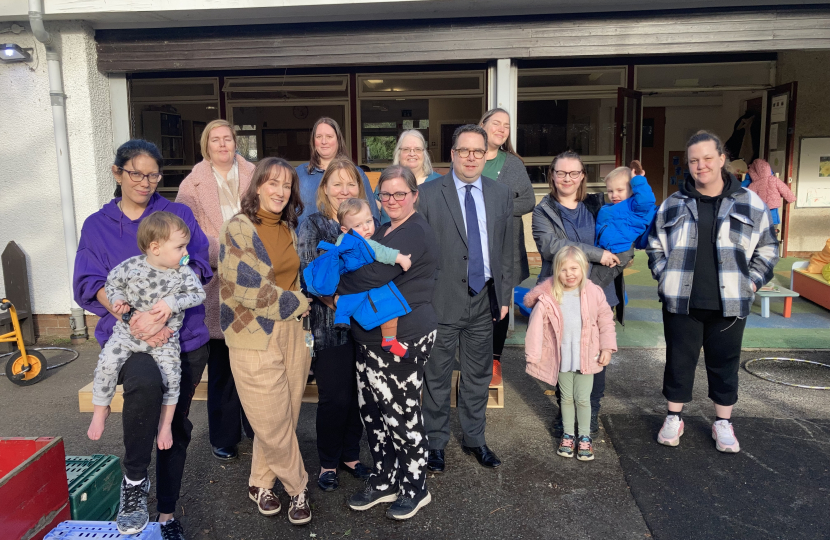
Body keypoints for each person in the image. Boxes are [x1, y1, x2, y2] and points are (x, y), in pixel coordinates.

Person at [74, 139, 212, 539]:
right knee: (145, 387)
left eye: (153, 174)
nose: (145, 181)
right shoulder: (97, 225)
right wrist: (132, 316)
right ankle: (134, 483)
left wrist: (168, 304)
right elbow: (90, 281)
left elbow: (199, 262)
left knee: (176, 425)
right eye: (135, 172)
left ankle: (167, 514)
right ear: (117, 173)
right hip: (129, 335)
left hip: (183, 337)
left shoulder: (176, 213)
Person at [647, 130, 778, 453]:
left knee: (725, 363)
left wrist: (751, 283)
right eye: (694, 160)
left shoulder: (750, 203)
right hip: (682, 300)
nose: (700, 165)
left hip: (731, 301)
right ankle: (674, 417)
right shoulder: (673, 204)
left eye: (707, 158)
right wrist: (664, 276)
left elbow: (768, 249)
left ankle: (723, 422)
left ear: (722, 159)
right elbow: (654, 246)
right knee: (679, 361)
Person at [337, 165, 439, 521]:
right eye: (385, 194)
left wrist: (336, 280)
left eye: (400, 193)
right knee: (374, 414)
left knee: (401, 414)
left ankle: (415, 486)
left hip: (403, 337)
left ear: (414, 195)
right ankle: (386, 479)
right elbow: (358, 267)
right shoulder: (381, 229)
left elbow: (372, 274)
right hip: (368, 339)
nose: (392, 200)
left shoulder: (414, 232)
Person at [219, 157, 313, 525]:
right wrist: (300, 303)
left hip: (292, 334)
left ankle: (260, 481)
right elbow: (248, 288)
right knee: (271, 420)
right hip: (251, 335)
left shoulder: (289, 228)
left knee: (282, 416)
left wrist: (300, 304)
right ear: (257, 186)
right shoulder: (238, 228)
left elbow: (293, 277)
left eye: (286, 185)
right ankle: (298, 487)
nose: (279, 191)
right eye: (272, 183)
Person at [418, 124, 513, 473]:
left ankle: (475, 439)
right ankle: (435, 443)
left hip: (484, 300)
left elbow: (506, 249)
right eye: (464, 151)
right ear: (453, 154)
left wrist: (504, 294)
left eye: (478, 151)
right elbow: (421, 251)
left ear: (486, 154)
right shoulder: (428, 194)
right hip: (441, 301)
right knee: (437, 377)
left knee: (477, 375)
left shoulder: (500, 193)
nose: (471, 157)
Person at [88, 212, 206, 455]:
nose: (186, 253)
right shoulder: (131, 266)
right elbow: (112, 284)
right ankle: (100, 409)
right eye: (180, 247)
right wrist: (118, 299)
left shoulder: (183, 273)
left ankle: (165, 425)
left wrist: (173, 302)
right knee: (107, 364)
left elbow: (198, 295)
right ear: (155, 247)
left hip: (165, 339)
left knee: (173, 378)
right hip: (127, 334)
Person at [176, 119, 254, 461]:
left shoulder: (255, 174)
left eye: (228, 139)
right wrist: (223, 249)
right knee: (222, 364)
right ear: (206, 145)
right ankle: (224, 437)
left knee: (254, 361)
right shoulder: (191, 185)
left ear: (236, 143)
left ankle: (257, 427)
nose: (222, 145)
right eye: (215, 140)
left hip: (253, 276)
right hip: (216, 281)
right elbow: (186, 232)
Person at [531, 150, 624, 439]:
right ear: (552, 176)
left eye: (573, 173)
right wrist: (598, 254)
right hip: (561, 297)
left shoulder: (599, 205)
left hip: (600, 293)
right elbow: (552, 247)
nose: (567, 178)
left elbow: (623, 244)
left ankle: (591, 412)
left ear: (583, 175)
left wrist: (591, 288)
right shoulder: (542, 211)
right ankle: (565, 410)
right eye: (560, 172)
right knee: (564, 355)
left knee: (595, 355)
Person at [296, 159, 376, 493]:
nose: (345, 190)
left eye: (351, 184)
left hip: (366, 324)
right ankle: (328, 462)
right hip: (330, 326)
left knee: (360, 394)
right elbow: (312, 276)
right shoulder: (314, 225)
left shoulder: (368, 224)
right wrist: (339, 301)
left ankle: (350, 456)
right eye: (337, 184)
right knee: (334, 396)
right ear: (324, 188)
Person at [524, 246, 617, 461]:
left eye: (574, 268)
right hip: (563, 357)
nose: (570, 274)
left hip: (587, 355)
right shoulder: (550, 295)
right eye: (564, 270)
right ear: (557, 272)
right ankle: (568, 435)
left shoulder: (594, 292)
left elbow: (605, 321)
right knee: (565, 398)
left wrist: (606, 348)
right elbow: (536, 328)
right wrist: (534, 355)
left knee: (583, 399)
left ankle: (584, 437)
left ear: (584, 268)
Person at [310, 198, 412, 358]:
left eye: (368, 221)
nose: (366, 228)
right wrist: (401, 259)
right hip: (360, 281)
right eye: (358, 225)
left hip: (346, 282)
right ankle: (389, 340)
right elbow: (380, 251)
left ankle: (342, 316)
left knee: (352, 300)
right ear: (344, 229)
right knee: (389, 308)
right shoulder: (360, 242)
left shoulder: (341, 240)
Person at [478, 108, 536, 385]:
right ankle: (474, 356)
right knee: (474, 302)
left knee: (499, 304)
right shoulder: (470, 158)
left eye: (507, 126)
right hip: (473, 246)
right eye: (496, 124)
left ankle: (494, 359)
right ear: (483, 126)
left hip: (504, 247)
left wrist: (496, 205)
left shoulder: (513, 164)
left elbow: (528, 201)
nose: (502, 129)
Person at [296, 117, 379, 225]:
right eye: (319, 137)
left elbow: (372, 214)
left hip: (347, 240)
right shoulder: (300, 173)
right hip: (306, 239)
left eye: (329, 136)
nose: (324, 141)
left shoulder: (356, 173)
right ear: (313, 141)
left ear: (338, 140)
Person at [590, 163, 657, 288]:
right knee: (607, 282)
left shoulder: (635, 207)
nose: (614, 195)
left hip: (620, 251)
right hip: (606, 250)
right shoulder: (608, 207)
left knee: (594, 283)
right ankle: (619, 298)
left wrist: (638, 180)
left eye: (620, 190)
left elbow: (646, 200)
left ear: (632, 190)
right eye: (610, 191)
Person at [376, 130, 442, 224]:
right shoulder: (387, 181)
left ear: (424, 154)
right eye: (406, 149)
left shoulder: (438, 182)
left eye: (418, 149)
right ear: (398, 153)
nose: (412, 154)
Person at [745, 158, 795, 226]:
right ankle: (774, 230)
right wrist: (791, 198)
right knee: (773, 218)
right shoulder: (774, 180)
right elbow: (784, 189)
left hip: (760, 208)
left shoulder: (754, 184)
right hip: (773, 205)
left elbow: (748, 196)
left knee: (761, 222)